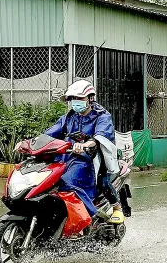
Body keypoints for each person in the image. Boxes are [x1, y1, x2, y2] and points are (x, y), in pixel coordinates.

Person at [42, 80, 124, 224]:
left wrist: (88, 144)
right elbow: (50, 134)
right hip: (68, 158)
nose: (76, 102)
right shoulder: (69, 117)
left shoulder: (102, 116)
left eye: (80, 98)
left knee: (95, 181)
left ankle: (111, 209)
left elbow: (101, 136)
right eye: (73, 98)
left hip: (93, 159)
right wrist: (30, 143)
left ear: (90, 98)